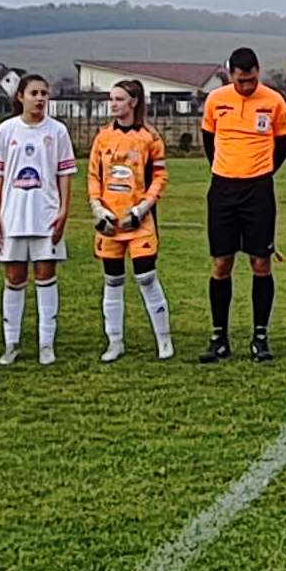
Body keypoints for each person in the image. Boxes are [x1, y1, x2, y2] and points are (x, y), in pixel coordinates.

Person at [198, 48, 286, 363]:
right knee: (221, 264)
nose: (247, 86)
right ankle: (219, 337)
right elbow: (209, 142)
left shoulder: (274, 101)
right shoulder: (216, 100)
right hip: (223, 189)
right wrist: (228, 170)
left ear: (258, 71)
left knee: (260, 263)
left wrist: (259, 172)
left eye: (251, 80)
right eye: (241, 81)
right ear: (230, 74)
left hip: (258, 191)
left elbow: (283, 147)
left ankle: (260, 336)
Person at [0, 73, 77, 365]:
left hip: (46, 216)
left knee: (45, 276)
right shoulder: (5, 131)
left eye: (44, 93)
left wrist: (64, 210)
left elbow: (64, 174)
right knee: (14, 278)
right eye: (34, 93)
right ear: (20, 96)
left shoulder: (58, 132)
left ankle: (45, 345)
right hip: (13, 216)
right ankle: (11, 343)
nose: (40, 98)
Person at [88, 80, 177, 362]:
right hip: (110, 223)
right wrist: (97, 208)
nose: (113, 104)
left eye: (119, 99)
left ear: (134, 101)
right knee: (112, 281)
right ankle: (115, 341)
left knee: (146, 277)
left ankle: (164, 341)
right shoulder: (102, 137)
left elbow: (160, 177)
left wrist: (142, 208)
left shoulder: (149, 138)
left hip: (139, 222)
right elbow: (93, 175)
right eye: (111, 99)